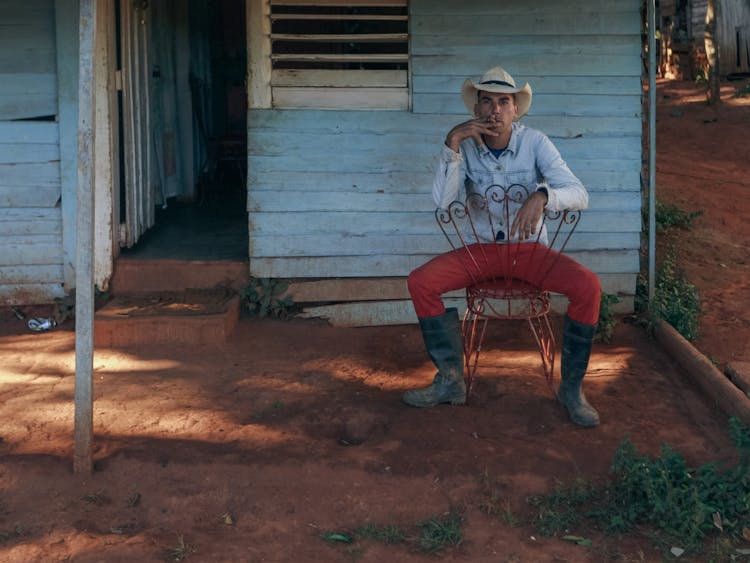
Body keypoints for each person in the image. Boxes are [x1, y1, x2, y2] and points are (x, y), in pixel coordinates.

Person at [404, 66, 602, 427]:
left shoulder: (535, 143)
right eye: (486, 101)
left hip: (529, 254)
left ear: (515, 110)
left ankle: (572, 390)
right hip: (480, 253)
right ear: (476, 109)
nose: (495, 110)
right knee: (421, 281)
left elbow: (580, 194)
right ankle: (450, 380)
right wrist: (452, 145)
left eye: (503, 102)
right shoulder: (464, 147)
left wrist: (542, 195)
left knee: (588, 286)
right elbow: (442, 202)